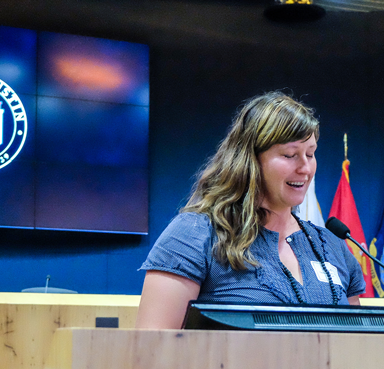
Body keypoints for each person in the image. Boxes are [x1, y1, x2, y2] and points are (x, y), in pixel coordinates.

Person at [136, 92, 366, 329]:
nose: (305, 168)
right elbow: (151, 350)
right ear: (250, 159)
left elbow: (354, 348)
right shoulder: (194, 234)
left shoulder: (333, 246)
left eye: (310, 153)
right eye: (290, 155)